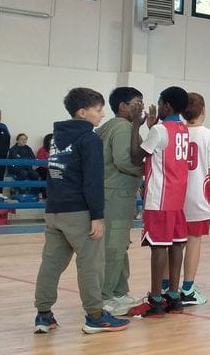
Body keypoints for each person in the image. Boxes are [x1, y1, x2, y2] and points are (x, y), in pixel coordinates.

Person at [34, 87, 130, 334]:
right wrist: (97, 216)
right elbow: (93, 181)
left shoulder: (56, 137)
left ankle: (43, 315)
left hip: (54, 210)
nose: (102, 115)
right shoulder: (90, 139)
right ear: (83, 112)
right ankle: (95, 316)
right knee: (91, 265)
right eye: (98, 111)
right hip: (79, 212)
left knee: (50, 264)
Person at [126, 87, 190, 317]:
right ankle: (173, 296)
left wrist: (136, 124)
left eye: (160, 102)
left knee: (158, 247)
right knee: (176, 245)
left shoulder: (160, 130)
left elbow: (136, 155)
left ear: (167, 106)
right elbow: (163, 148)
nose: (158, 106)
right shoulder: (183, 129)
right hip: (177, 198)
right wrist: (153, 127)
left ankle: (154, 299)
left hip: (159, 197)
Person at [95, 87, 147, 317]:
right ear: (122, 106)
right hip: (116, 194)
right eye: (136, 102)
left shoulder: (109, 127)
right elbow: (125, 160)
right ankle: (105, 296)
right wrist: (150, 169)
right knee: (114, 247)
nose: (141, 107)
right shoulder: (123, 127)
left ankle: (119, 290)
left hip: (113, 193)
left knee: (119, 245)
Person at [181, 92, 210, 304]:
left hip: (175, 196)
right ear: (204, 111)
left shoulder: (176, 132)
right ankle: (187, 289)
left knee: (171, 243)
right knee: (193, 242)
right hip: (198, 197)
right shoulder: (209, 136)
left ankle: (166, 288)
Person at [36, 133, 53, 199]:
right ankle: (44, 194)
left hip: (52, 168)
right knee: (46, 175)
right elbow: (39, 162)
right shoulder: (42, 149)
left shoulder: (56, 150)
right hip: (42, 168)